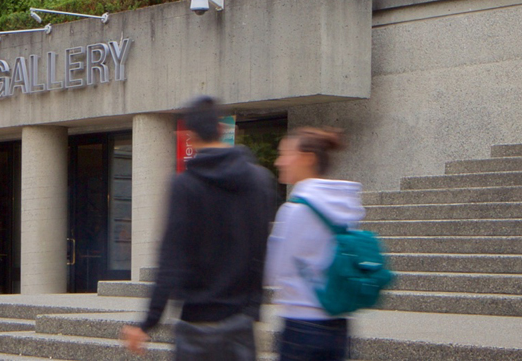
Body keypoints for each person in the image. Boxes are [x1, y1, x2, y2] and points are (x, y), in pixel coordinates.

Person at [121, 96, 276, 361]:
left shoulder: (185, 185)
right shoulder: (259, 180)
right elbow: (261, 250)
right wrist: (253, 308)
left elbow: (171, 258)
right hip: (240, 324)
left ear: (189, 136)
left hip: (197, 325)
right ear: (223, 129)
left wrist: (147, 322)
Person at [266, 127, 364, 361]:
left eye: (286, 154)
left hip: (301, 326)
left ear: (308, 159)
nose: (279, 162)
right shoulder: (346, 204)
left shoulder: (295, 210)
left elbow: (274, 271)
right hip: (338, 325)